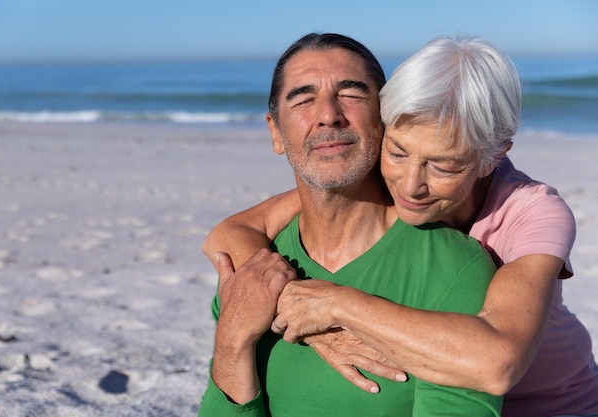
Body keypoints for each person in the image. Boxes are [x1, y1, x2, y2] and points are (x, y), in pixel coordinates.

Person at [202, 35, 598, 416]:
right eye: (397, 152)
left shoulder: (528, 215)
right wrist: (286, 302)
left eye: (444, 165)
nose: (411, 185)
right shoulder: (373, 169)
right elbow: (228, 234)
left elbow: (497, 362)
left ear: (491, 158)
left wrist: (336, 305)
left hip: (557, 403)